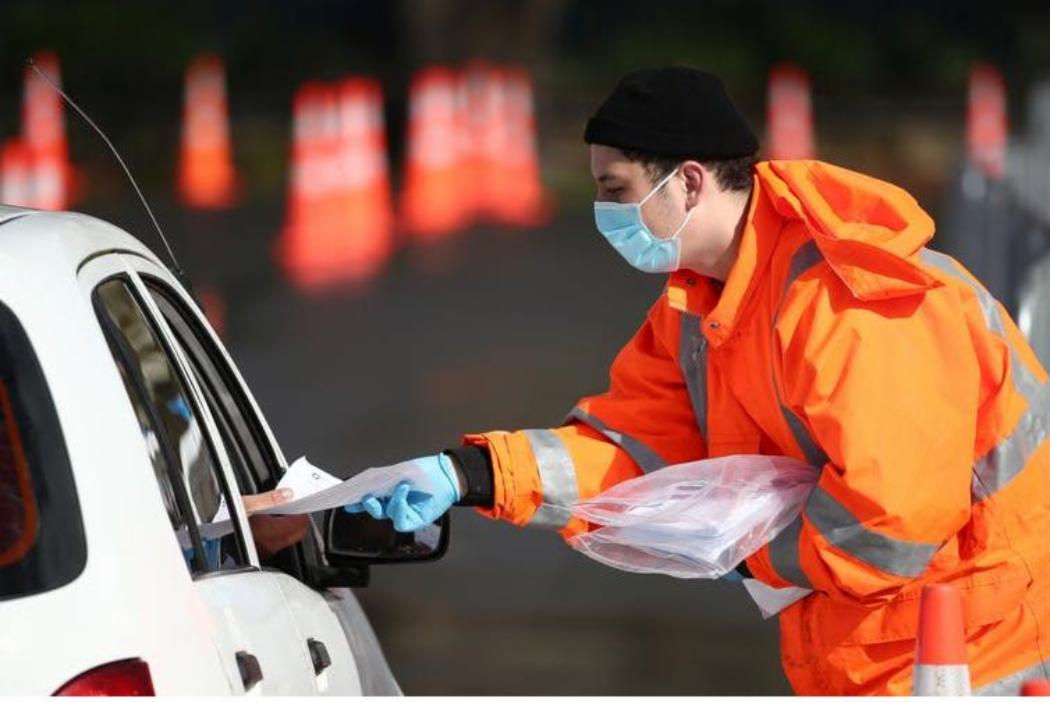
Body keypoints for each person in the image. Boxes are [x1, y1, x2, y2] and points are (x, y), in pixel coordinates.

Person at [343, 67, 1050, 695]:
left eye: (615, 190)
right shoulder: (700, 308)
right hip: (880, 655)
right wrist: (470, 474)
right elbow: (635, 450)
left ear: (687, 181)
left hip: (984, 658)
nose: (604, 215)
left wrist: (743, 556)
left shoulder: (848, 299)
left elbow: (889, 526)